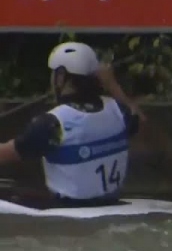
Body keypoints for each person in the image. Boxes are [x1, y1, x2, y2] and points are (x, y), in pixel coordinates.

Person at [0, 41, 144, 208]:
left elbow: (4, 155)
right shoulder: (119, 111)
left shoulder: (51, 124)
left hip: (69, 211)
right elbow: (138, 117)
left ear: (61, 77)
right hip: (112, 204)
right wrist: (112, 85)